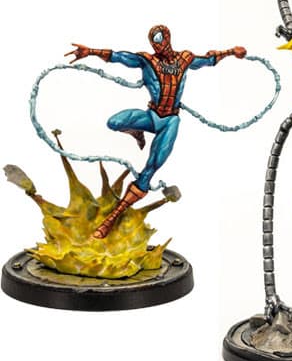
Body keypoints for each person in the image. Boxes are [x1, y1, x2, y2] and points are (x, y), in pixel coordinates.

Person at [66, 25, 246, 238]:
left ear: (168, 37)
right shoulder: (147, 60)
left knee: (151, 167)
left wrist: (231, 52)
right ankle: (136, 131)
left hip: (169, 121)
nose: (157, 44)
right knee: (114, 122)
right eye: (153, 40)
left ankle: (111, 219)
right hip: (151, 116)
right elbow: (120, 57)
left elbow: (208, 60)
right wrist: (91, 52)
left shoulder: (184, 59)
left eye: (160, 39)